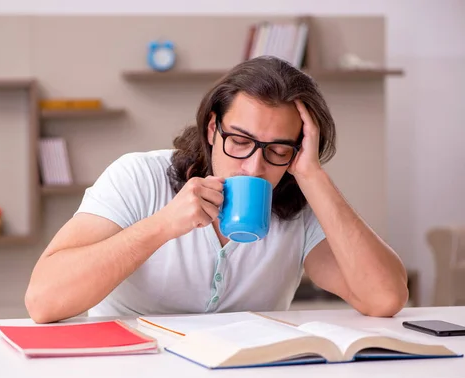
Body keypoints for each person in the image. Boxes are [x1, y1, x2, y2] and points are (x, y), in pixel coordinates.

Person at [25, 56, 409, 324]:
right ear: (213, 129)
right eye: (240, 141)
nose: (254, 167)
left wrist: (313, 177)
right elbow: (43, 301)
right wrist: (162, 226)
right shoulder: (139, 177)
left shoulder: (300, 205)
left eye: (278, 149)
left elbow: (384, 298)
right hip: (130, 374)